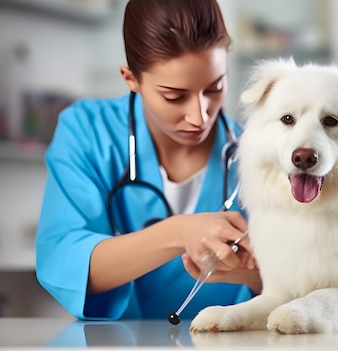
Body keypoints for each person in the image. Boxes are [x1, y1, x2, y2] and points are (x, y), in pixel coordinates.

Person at [35, 0, 261, 320]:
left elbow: (296, 282)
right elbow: (63, 260)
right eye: (174, 96)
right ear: (131, 79)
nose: (199, 116)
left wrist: (256, 275)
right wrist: (179, 232)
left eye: (215, 87)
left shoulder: (258, 154)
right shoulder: (87, 132)